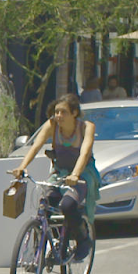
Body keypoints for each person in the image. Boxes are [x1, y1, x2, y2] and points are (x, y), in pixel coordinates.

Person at [10, 93, 100, 261]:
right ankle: (46, 249)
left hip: (82, 174)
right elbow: (36, 146)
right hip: (59, 173)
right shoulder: (52, 125)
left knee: (67, 205)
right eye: (56, 112)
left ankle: (83, 239)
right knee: (46, 205)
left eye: (63, 112)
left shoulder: (86, 127)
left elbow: (85, 153)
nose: (58, 116)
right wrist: (22, 167)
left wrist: (75, 174)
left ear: (74, 113)